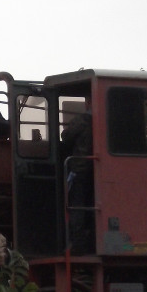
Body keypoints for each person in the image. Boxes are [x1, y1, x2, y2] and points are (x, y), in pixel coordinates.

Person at [60, 100, 94, 253]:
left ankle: (78, 244)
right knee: (91, 205)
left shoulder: (82, 121)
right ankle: (91, 240)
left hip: (79, 169)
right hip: (96, 171)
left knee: (76, 206)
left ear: (88, 104)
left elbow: (65, 136)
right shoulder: (105, 119)